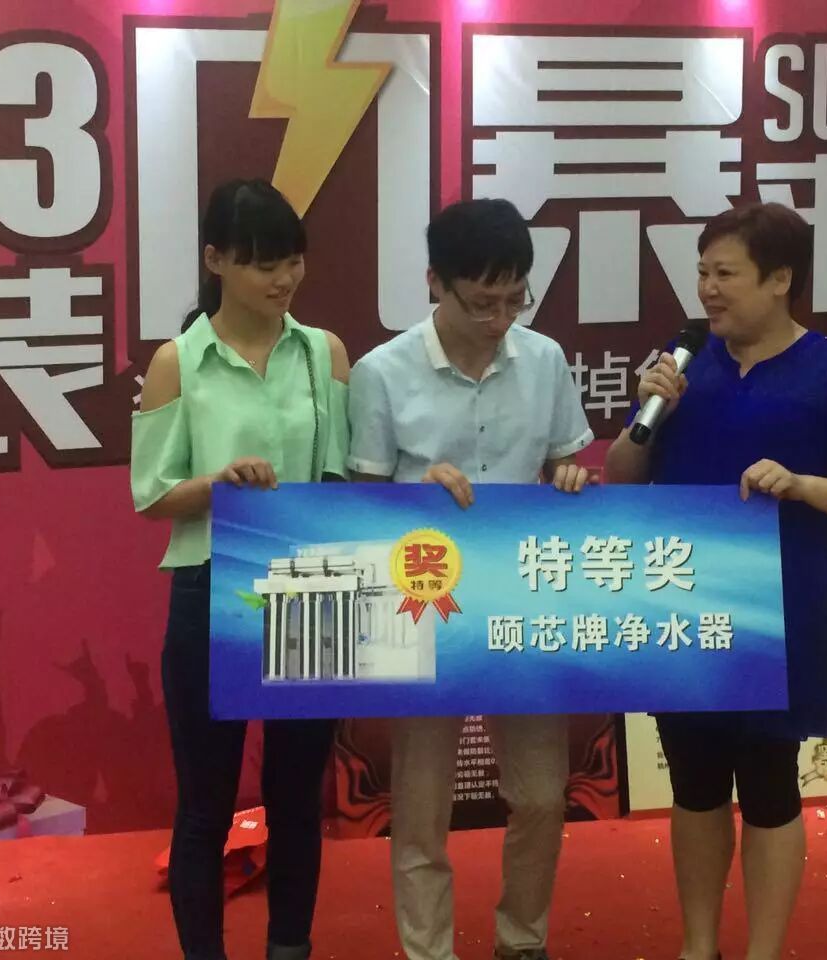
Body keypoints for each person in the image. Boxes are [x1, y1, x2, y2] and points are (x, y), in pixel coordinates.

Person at [604, 201, 827, 960]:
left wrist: (802, 485)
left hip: (780, 614)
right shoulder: (681, 364)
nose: (707, 289)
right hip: (683, 605)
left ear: (779, 280)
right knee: (694, 782)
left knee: (769, 784)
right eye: (702, 272)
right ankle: (698, 945)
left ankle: (762, 950)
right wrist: (645, 412)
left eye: (725, 274)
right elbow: (621, 474)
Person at [347, 197, 593, 960]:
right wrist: (414, 496)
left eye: (515, 298)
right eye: (483, 301)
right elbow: (358, 507)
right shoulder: (381, 373)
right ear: (435, 283)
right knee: (422, 804)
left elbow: (566, 458)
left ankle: (522, 940)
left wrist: (569, 476)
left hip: (522, 600)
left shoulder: (544, 360)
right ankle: (429, 951)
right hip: (424, 606)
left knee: (542, 795)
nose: (500, 318)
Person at [130, 179, 350, 960]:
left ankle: (290, 947)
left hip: (311, 587)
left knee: (297, 798)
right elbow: (151, 496)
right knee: (206, 807)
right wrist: (218, 485)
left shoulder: (324, 353)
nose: (284, 279)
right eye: (263, 264)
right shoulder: (177, 363)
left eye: (293, 261)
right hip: (212, 587)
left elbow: (341, 478)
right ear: (215, 260)